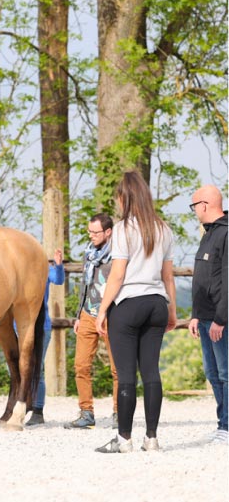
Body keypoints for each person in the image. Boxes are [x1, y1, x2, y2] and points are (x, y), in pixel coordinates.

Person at [94, 171, 177, 453]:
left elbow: (117, 276)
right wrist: (172, 311)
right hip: (157, 305)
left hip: (129, 304)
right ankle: (151, 439)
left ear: (124, 197)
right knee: (151, 372)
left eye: (118, 198)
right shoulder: (163, 228)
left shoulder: (121, 229)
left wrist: (102, 310)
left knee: (127, 375)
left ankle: (124, 439)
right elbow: (168, 277)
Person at [64, 213, 119, 430]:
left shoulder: (118, 255)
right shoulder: (89, 253)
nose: (92, 235)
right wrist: (78, 315)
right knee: (81, 365)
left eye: (96, 232)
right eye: (90, 231)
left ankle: (119, 412)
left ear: (108, 232)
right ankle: (86, 413)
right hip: (88, 314)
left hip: (112, 315)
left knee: (118, 369)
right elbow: (85, 287)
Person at [188, 185, 227, 444]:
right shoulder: (208, 234)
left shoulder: (225, 234)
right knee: (212, 374)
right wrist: (195, 314)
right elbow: (202, 278)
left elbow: (227, 280)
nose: (194, 212)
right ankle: (222, 423)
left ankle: (227, 426)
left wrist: (220, 319)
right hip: (203, 319)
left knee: (226, 373)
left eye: (194, 206)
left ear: (204, 204)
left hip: (219, 321)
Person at [25, 248, 65, 426]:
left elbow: (58, 280)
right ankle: (22, 403)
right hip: (18, 328)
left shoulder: (44, 270)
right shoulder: (17, 273)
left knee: (36, 369)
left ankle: (38, 410)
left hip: (42, 327)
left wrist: (58, 265)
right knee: (16, 369)